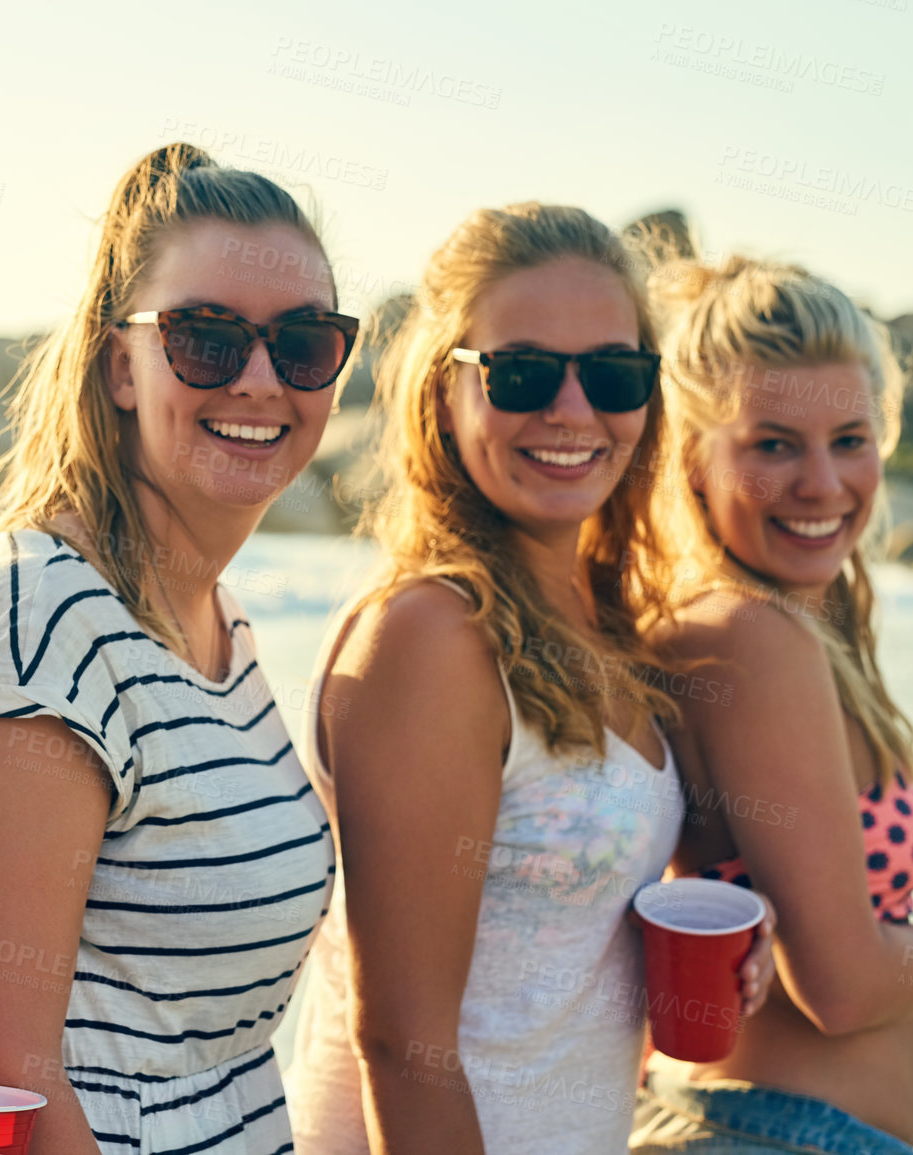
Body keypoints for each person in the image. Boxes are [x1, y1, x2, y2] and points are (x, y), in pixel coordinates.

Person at [0, 143, 352, 1155]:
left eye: (306, 343)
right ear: (120, 366)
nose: (263, 380)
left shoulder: (216, 627)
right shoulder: (35, 626)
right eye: (207, 339)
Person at [285, 203, 772, 1155]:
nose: (571, 410)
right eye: (522, 373)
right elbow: (401, 1044)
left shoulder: (599, 623)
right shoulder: (430, 636)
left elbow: (537, 941)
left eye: (613, 373)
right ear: (442, 391)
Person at [628, 254, 913, 1154]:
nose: (822, 483)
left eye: (849, 439)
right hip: (773, 1133)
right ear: (694, 459)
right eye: (773, 444)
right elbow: (841, 989)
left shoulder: (791, 622)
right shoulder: (750, 635)